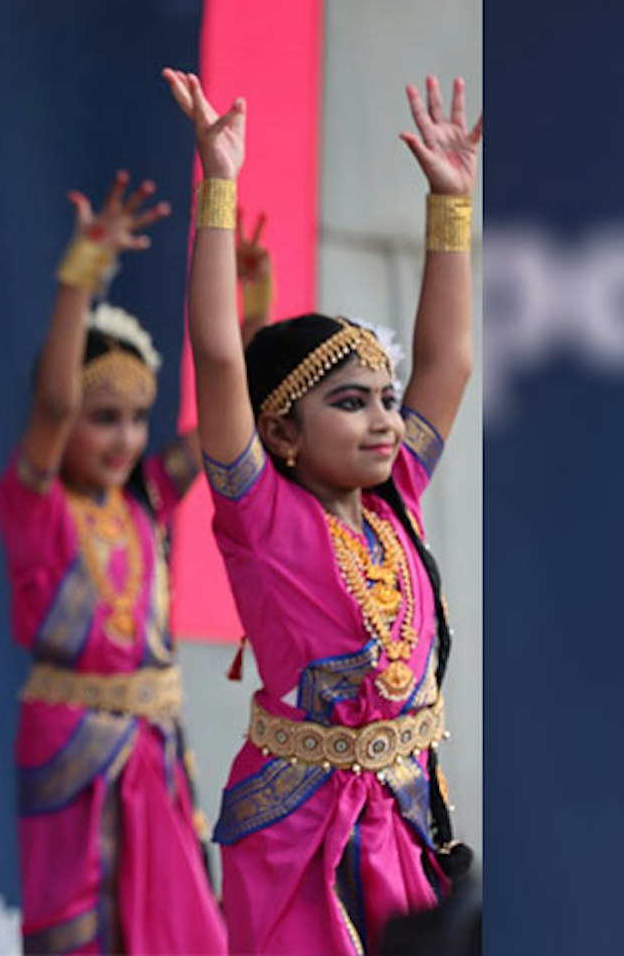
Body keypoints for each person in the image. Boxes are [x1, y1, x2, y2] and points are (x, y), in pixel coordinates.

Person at [171, 67, 477, 954]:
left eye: (386, 398)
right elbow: (220, 357)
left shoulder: (396, 500)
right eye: (351, 403)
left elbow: (449, 361)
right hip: (300, 841)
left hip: (408, 816)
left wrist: (450, 204)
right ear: (283, 431)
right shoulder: (260, 514)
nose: (386, 419)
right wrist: (218, 186)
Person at [0, 171, 233, 954]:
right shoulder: (36, 502)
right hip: (71, 745)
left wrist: (252, 315)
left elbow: (217, 431)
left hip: (155, 743)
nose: (125, 439)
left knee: (170, 924)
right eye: (106, 419)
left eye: (136, 419)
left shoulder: (148, 501)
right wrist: (80, 279)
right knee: (81, 931)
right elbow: (55, 408)